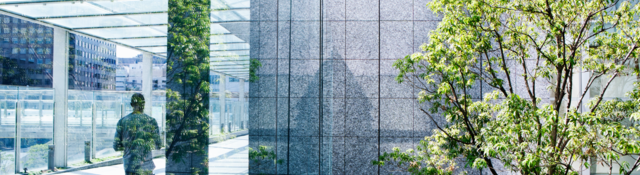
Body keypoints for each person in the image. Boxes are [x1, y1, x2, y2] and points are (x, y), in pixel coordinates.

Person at [114, 93, 162, 175]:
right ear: (144, 104)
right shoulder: (151, 121)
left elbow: (116, 147)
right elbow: (158, 145)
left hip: (129, 165)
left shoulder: (122, 121)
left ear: (131, 104)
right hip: (146, 165)